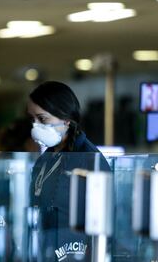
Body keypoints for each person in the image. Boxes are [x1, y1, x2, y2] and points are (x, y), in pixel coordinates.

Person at [27, 81, 111, 261]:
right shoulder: (44, 160)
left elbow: (104, 223)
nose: (35, 126)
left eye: (42, 119)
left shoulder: (90, 160)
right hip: (44, 252)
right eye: (32, 119)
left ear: (66, 120)